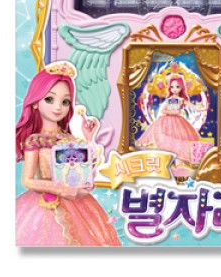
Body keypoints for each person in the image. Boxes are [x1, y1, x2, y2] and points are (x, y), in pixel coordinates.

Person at [15, 62, 120, 246]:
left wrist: (89, 139)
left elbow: (85, 173)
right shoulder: (35, 140)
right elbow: (28, 180)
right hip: (43, 205)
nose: (58, 107)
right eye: (49, 99)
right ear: (35, 103)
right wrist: (65, 190)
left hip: (78, 204)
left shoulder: (68, 138)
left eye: (64, 102)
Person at [136, 72, 203, 170]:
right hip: (167, 121)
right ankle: (167, 165)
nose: (174, 89)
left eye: (177, 87)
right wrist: (173, 112)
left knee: (179, 142)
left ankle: (180, 166)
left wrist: (199, 108)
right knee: (166, 140)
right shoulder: (170, 99)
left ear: (181, 88)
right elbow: (163, 110)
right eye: (172, 87)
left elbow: (191, 106)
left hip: (178, 122)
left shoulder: (181, 99)